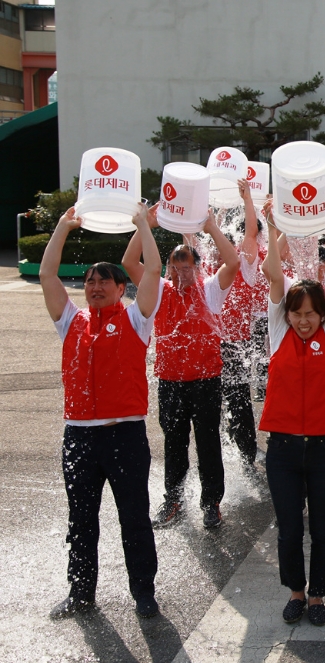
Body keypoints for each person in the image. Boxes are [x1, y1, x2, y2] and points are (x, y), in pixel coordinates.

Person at [42, 204, 163, 619]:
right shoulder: (70, 322)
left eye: (103, 280)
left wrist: (142, 226)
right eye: (89, 281)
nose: (94, 286)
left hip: (124, 435)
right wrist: (62, 226)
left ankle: (144, 592)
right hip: (78, 436)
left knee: (134, 518)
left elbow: (152, 271)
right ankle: (80, 593)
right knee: (81, 521)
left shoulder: (135, 319)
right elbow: (47, 275)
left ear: (118, 288)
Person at [257, 200, 325, 627]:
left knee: (321, 531)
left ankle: (317, 597)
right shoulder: (279, 331)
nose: (303, 321)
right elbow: (275, 276)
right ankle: (296, 592)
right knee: (289, 529)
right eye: (297, 314)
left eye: (310, 314)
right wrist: (273, 226)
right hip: (283, 450)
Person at [123, 209, 240, 529]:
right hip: (171, 382)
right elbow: (130, 264)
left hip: (205, 381)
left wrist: (212, 227)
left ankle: (211, 503)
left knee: (207, 443)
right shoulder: (159, 289)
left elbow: (233, 263)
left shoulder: (211, 289)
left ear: (197, 268)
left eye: (186, 269)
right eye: (175, 269)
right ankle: (173, 500)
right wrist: (144, 225)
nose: (180, 275)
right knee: (174, 443)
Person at [217, 178, 265, 470]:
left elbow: (250, 231)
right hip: (209, 344)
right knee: (215, 406)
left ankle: (247, 455)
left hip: (235, 345)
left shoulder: (245, 264)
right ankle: (226, 451)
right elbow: (193, 240)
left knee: (238, 402)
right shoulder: (211, 266)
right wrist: (217, 213)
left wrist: (247, 200)